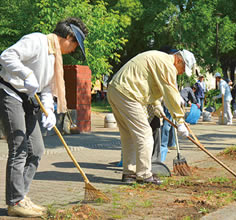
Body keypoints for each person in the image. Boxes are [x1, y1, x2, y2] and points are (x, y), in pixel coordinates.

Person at [0, 17, 88, 217]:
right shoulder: (37, 40)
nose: (73, 50)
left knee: (37, 150)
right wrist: (26, 75)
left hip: (30, 99)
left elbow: (47, 87)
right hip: (11, 93)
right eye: (75, 45)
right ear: (68, 37)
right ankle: (15, 202)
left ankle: (21, 196)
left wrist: (49, 108)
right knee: (19, 147)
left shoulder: (55, 57)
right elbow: (6, 56)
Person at [107, 49, 196, 185]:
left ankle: (129, 173)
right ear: (178, 60)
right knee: (145, 134)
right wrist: (180, 121)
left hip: (116, 90)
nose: (182, 72)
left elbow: (151, 82)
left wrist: (156, 105)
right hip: (128, 94)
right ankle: (144, 175)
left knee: (129, 135)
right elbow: (170, 92)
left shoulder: (159, 59)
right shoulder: (167, 65)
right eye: (183, 68)